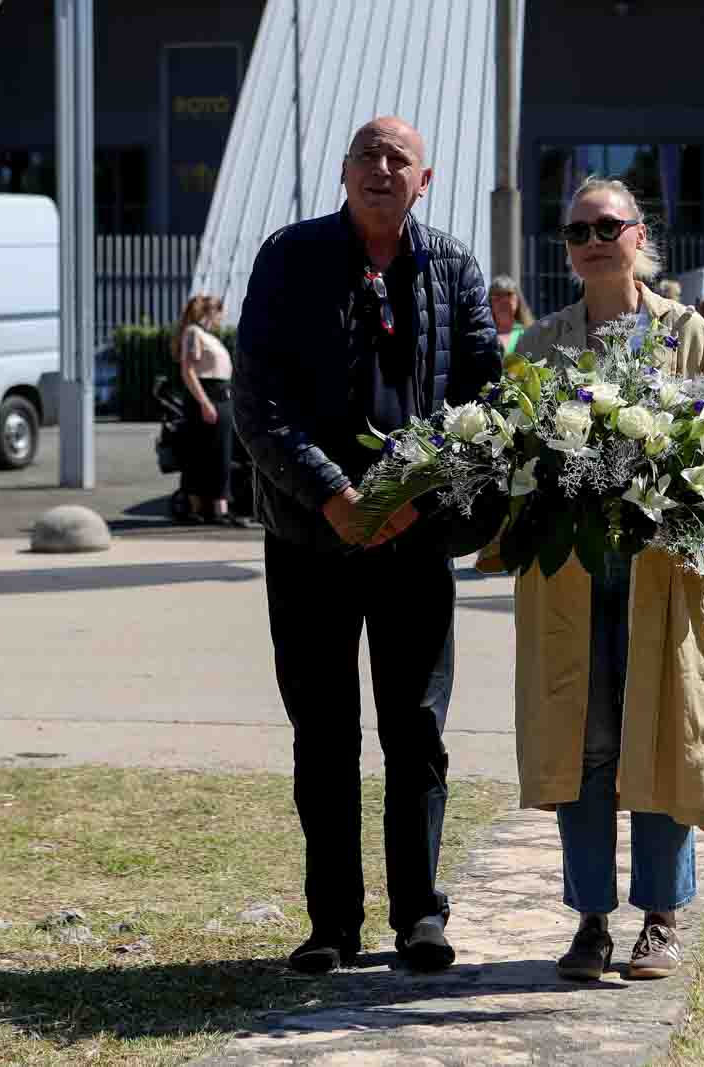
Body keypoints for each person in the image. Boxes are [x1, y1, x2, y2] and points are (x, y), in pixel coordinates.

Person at [233, 116, 500, 975]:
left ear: (426, 180)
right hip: (312, 535)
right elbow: (258, 401)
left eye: (398, 160)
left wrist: (416, 500)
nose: (381, 169)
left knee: (415, 728)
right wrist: (335, 494)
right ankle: (332, 923)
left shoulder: (454, 268)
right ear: (345, 172)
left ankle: (420, 912)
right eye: (367, 156)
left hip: (415, 543)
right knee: (323, 730)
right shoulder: (289, 257)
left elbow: (486, 405)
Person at [479, 175, 704, 981]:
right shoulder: (539, 343)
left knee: (661, 731)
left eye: (607, 226)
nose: (592, 240)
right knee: (584, 741)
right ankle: (591, 918)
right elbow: (510, 453)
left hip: (660, 567)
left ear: (638, 236)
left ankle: (660, 917)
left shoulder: (687, 334)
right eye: (577, 230)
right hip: (571, 573)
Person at [172, 293, 243, 527]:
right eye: (219, 312)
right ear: (210, 312)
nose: (222, 318)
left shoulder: (208, 336)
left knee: (221, 453)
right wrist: (204, 402)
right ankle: (200, 508)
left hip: (222, 397)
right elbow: (188, 369)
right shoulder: (194, 333)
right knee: (202, 453)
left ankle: (218, 508)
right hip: (208, 396)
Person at [489, 275, 535, 356]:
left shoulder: (530, 333)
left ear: (518, 300)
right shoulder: (482, 335)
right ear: (490, 302)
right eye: (498, 296)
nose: (503, 300)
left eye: (509, 294)